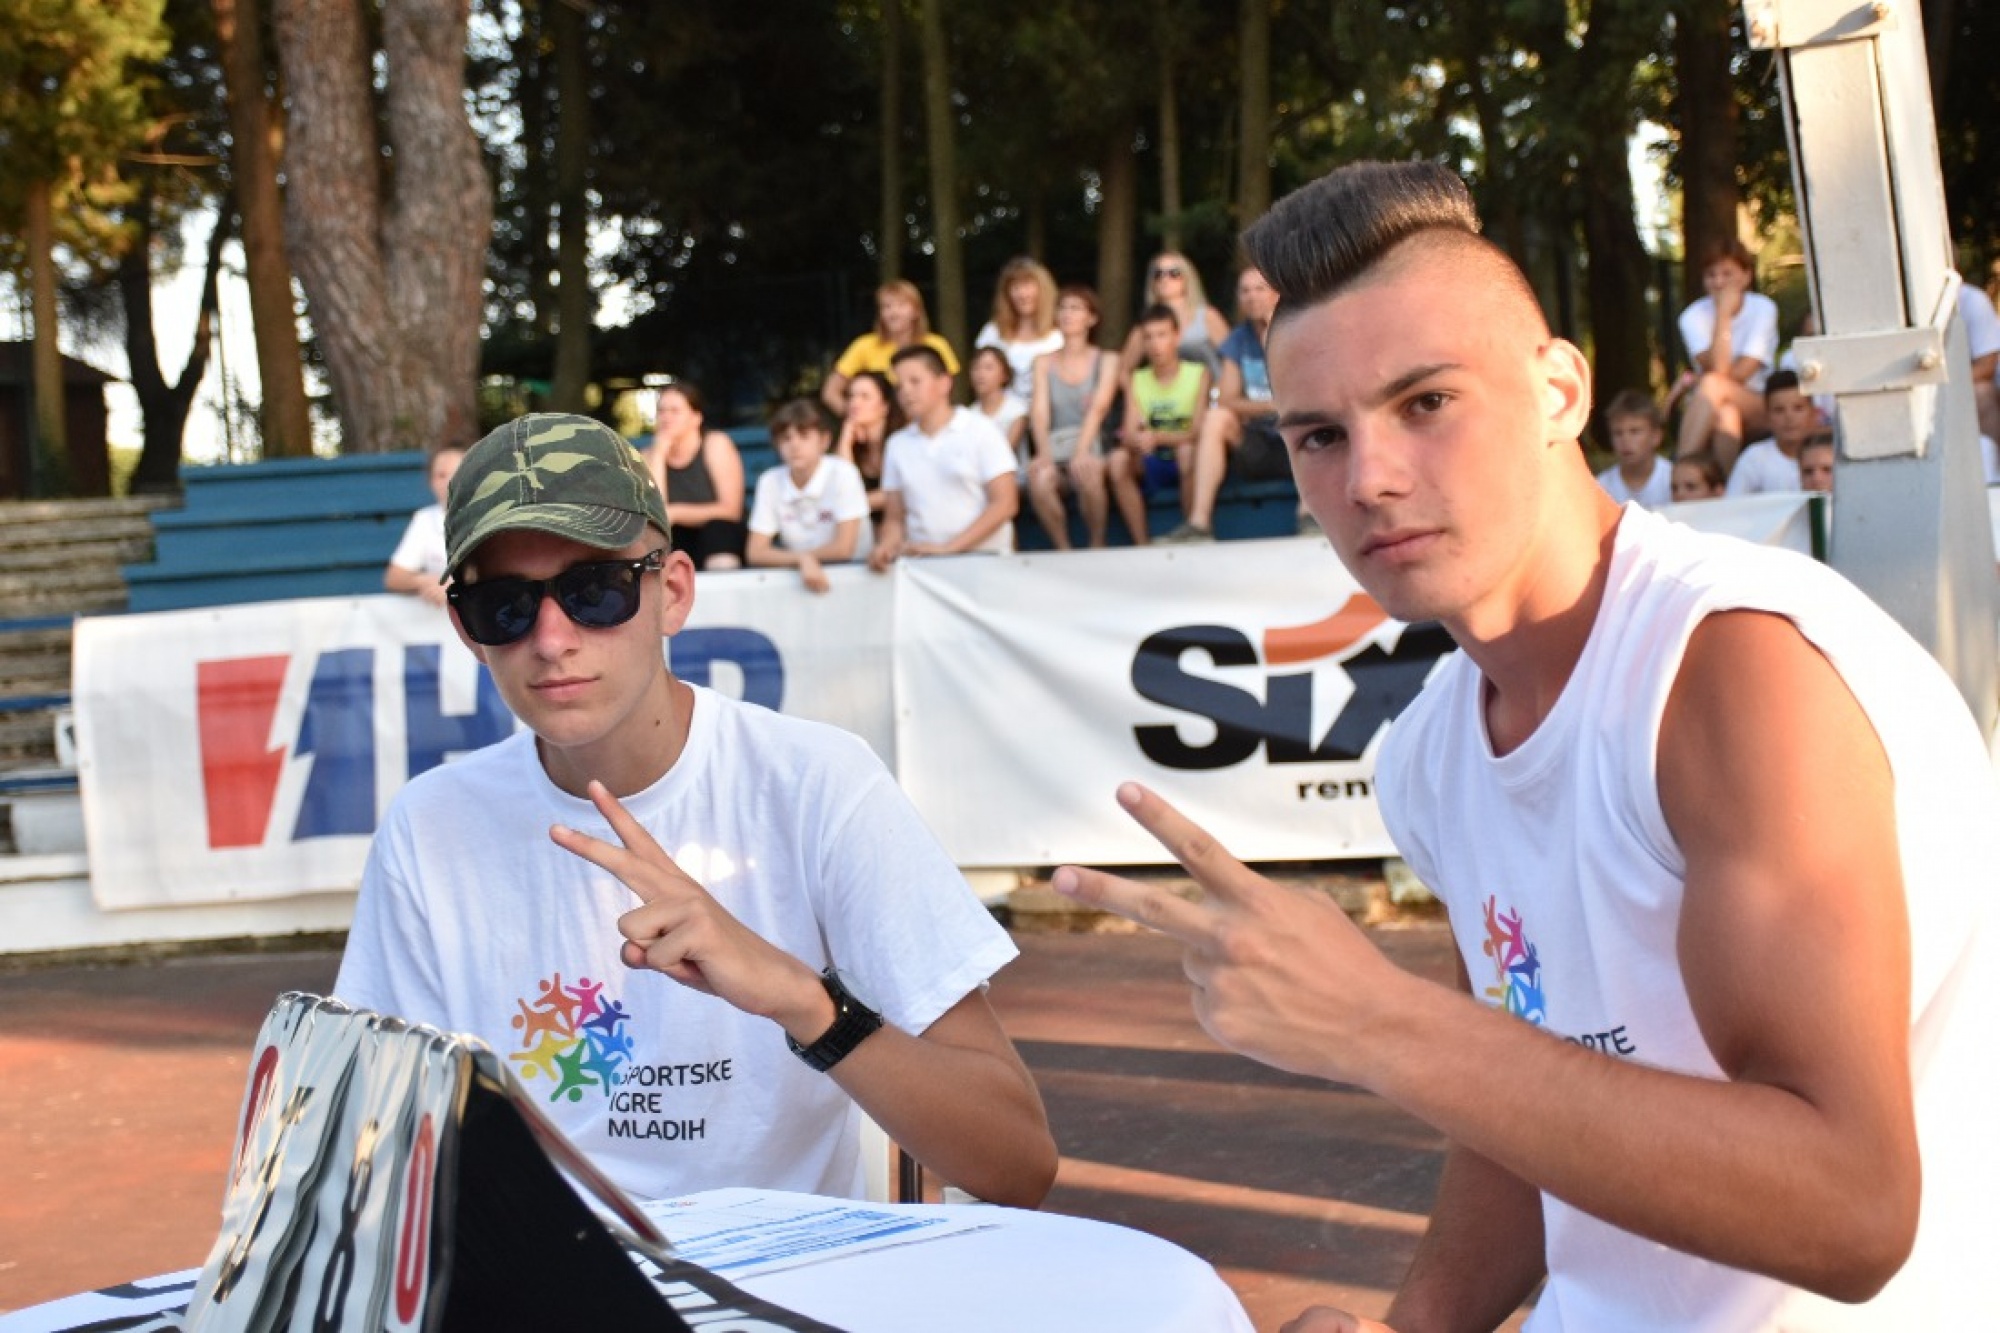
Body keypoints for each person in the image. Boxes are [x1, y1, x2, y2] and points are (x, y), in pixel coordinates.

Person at [1054, 160, 1998, 1329]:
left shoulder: (1730, 667)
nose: (1370, 478)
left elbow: (1849, 1213)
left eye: (1425, 402)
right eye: (1318, 436)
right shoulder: (1427, 753)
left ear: (1558, 389)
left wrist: (1379, 1021)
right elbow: (1515, 1119)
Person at [335, 412, 1055, 1208]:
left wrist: (804, 1001)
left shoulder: (818, 783)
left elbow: (1017, 1162)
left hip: (786, 1275)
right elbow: (372, 1153)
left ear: (672, 592)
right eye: (503, 605)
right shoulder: (428, 826)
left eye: (595, 590)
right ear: (466, 629)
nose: (551, 638)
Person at [1163, 265, 1295, 544]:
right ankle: (1199, 523)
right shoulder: (1238, 339)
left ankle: (1310, 516)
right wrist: (1271, 406)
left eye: (1259, 289)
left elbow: (1306, 394)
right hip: (1258, 441)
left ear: (1276, 294)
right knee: (1216, 418)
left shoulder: (1298, 331)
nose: (1252, 296)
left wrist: (1273, 339)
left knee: (1311, 419)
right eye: (1245, 291)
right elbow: (1226, 399)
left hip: (1296, 435)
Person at [869, 346, 1019, 568]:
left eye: (915, 381)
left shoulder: (982, 430)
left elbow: (1005, 503)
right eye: (899, 386)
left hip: (987, 563)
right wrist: (885, 547)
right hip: (922, 566)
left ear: (944, 383)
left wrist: (950, 549)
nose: (906, 392)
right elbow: (894, 518)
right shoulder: (897, 444)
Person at [1671, 238, 1780, 472]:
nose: (1719, 282)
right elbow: (1721, 371)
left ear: (1746, 276)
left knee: (1712, 383)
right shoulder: (1691, 316)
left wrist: (1722, 314)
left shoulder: (1763, 308)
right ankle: (1724, 485)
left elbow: (1736, 374)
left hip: (1759, 403)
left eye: (1727, 274)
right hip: (1716, 404)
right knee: (1726, 414)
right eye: (1711, 275)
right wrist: (1724, 315)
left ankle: (1680, 470)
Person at [1025, 284, 1119, 550]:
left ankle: (1097, 544)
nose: (1067, 314)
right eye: (1063, 308)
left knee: (1088, 472)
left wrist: (1081, 452)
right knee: (1039, 479)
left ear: (1092, 318)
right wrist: (1043, 454)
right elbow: (1039, 412)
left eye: (1076, 308)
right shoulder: (1042, 362)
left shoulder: (1108, 359)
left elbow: (1099, 408)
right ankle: (1063, 548)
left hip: (1092, 446)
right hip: (1056, 446)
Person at [745, 399, 871, 593]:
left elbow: (844, 549)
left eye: (804, 436)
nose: (794, 445)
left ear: (824, 440)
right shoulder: (769, 481)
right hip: (799, 578)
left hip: (855, 578)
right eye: (786, 438)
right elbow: (755, 552)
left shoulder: (844, 473)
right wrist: (802, 560)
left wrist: (804, 559)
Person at [1109, 304, 1210, 546]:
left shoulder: (1199, 374)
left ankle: (1191, 532)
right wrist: (1139, 439)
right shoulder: (1137, 379)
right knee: (1117, 460)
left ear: (1177, 336)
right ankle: (1141, 542)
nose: (1155, 344)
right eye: (1148, 337)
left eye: (1162, 335)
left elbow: (1197, 431)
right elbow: (1129, 432)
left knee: (1187, 452)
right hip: (1150, 460)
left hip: (1185, 458)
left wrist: (1157, 437)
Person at [643, 382, 746, 571]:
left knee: (719, 532)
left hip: (718, 536)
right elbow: (657, 515)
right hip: (676, 537)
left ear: (696, 418)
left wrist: (675, 513)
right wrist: (659, 455)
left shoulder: (715, 444)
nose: (666, 418)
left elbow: (731, 510)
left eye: (675, 411)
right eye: (662, 411)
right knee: (656, 541)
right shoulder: (648, 456)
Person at [821, 280, 960, 416]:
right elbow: (830, 392)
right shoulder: (863, 346)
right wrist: (858, 418)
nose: (894, 313)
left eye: (901, 305)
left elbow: (951, 392)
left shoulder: (936, 345)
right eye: (887, 307)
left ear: (916, 311)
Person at [1119, 250, 1232, 380]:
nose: (1165, 279)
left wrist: (1224, 389)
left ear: (1187, 278)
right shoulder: (1146, 324)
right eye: (1158, 274)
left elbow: (1232, 360)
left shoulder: (1208, 316)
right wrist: (1135, 392)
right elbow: (1123, 369)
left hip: (1212, 389)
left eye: (1174, 273)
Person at [974, 257, 1062, 411]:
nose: (1022, 294)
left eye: (1028, 285)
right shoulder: (992, 332)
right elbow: (980, 379)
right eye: (1015, 287)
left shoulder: (1058, 336)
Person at [383, 445, 465, 605]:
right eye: (441, 475)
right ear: (431, 482)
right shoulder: (425, 519)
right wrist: (427, 581)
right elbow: (394, 577)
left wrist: (457, 586)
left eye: (458, 473)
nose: (449, 481)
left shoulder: (493, 515)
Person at [1725, 370, 1816, 497]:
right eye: (1779, 410)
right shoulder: (1754, 458)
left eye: (1798, 408)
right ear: (1767, 417)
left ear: (1813, 413)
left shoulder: (1828, 456)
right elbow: (1733, 503)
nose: (1789, 417)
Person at [832, 370, 903, 525]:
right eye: (851, 396)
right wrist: (845, 440)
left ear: (885, 406)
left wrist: (853, 504)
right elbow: (841, 487)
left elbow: (902, 494)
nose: (855, 403)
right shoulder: (849, 443)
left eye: (865, 396)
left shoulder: (902, 443)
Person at [1593, 390, 1673, 507]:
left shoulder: (1673, 479)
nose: (1625, 440)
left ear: (1656, 436)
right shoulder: (1602, 487)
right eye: (1618, 433)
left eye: (1635, 431)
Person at [967, 345, 1028, 457]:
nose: (981, 374)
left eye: (988, 368)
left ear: (1004, 375)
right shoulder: (969, 415)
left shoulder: (1017, 410)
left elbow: (1005, 453)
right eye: (976, 368)